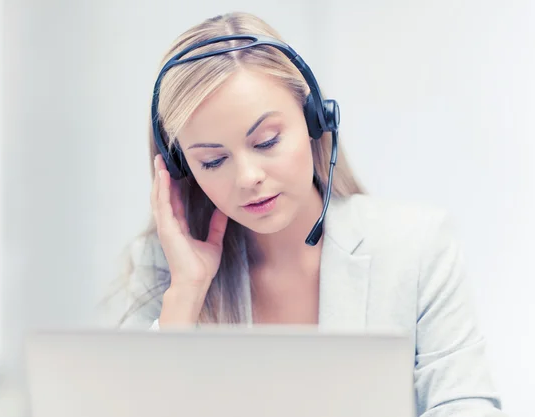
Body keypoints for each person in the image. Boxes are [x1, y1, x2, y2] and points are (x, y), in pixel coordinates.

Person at [117, 11, 506, 417]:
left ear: (314, 120)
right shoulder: (165, 269)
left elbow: (465, 406)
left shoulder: (418, 247)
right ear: (182, 171)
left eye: (266, 141)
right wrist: (185, 297)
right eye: (213, 161)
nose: (248, 177)